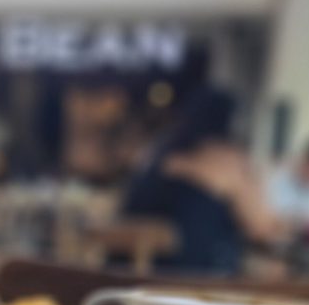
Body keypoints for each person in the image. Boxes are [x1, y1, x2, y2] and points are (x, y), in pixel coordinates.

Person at [121, 87, 282, 275]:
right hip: (199, 280)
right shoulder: (228, 160)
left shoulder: (156, 154)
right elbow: (259, 228)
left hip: (131, 276)